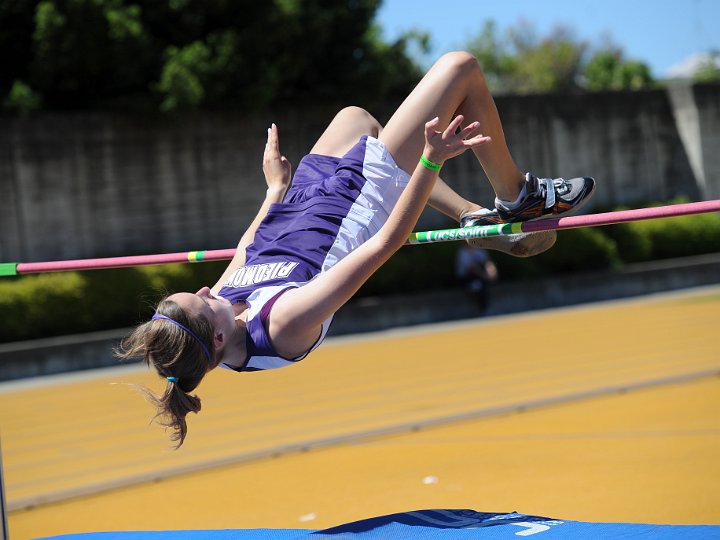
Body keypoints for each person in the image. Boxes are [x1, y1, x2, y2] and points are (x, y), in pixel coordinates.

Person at [117, 51, 595, 447]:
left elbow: (247, 250)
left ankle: (470, 215)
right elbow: (386, 243)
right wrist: (429, 160)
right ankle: (518, 197)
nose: (206, 287)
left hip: (304, 198)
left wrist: (273, 190)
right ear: (218, 341)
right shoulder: (281, 324)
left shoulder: (218, 311)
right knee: (460, 69)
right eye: (199, 298)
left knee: (357, 118)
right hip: (358, 200)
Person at [455, 246, 498, 315]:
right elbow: (471, 268)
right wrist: (485, 276)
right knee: (480, 286)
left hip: (479, 277)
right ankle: (484, 309)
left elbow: (487, 263)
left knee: (481, 285)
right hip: (466, 278)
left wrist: (492, 272)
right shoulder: (463, 252)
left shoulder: (479, 250)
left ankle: (485, 309)